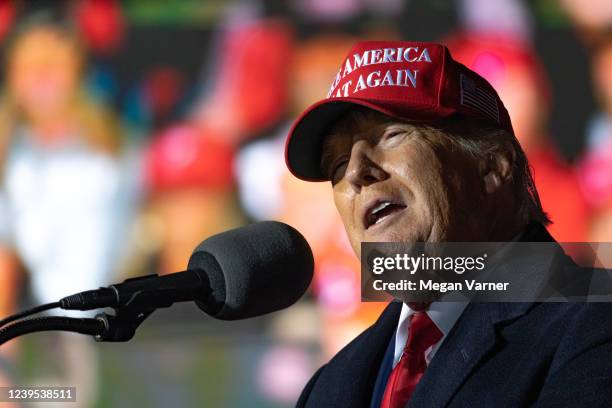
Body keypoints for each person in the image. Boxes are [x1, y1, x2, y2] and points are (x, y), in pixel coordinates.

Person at [284, 40, 612, 407]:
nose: (358, 172)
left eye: (392, 135)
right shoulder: (328, 386)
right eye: (338, 164)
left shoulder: (594, 322)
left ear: (492, 166)